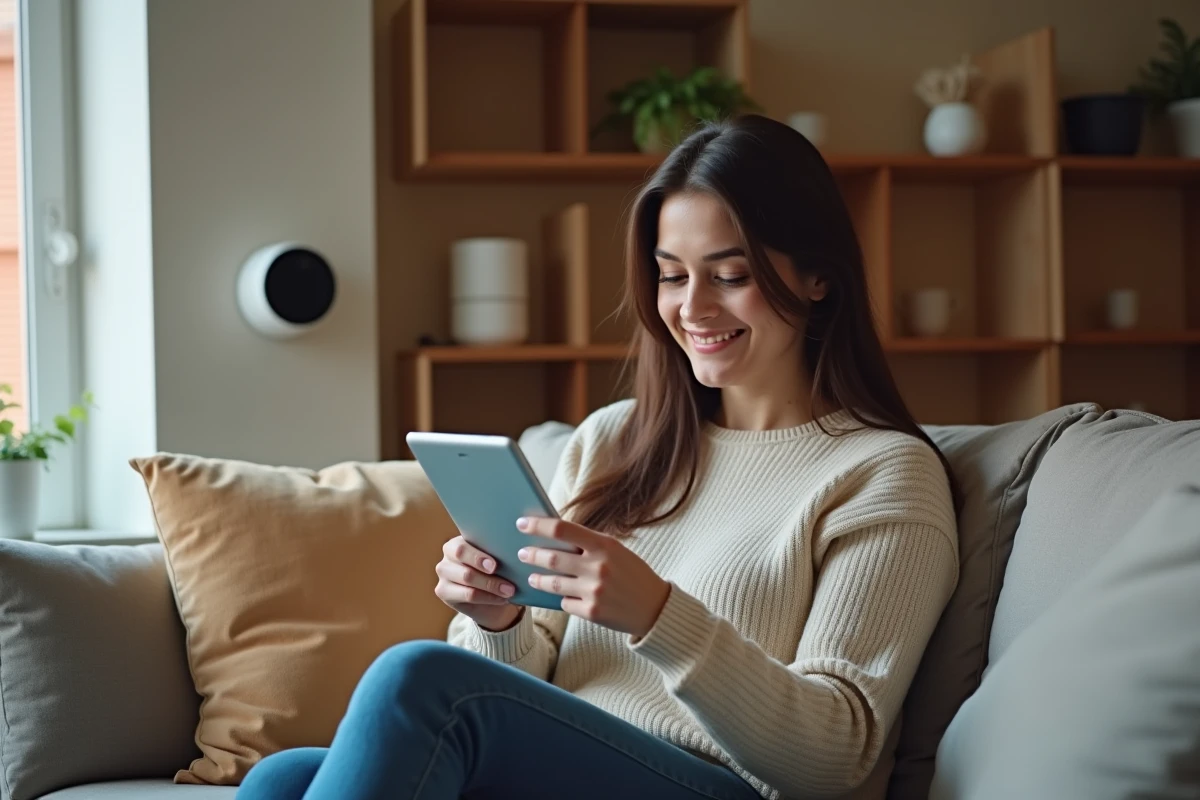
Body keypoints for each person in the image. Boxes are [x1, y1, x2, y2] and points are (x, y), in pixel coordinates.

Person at [237, 113, 960, 800]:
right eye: (672, 275)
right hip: (569, 768)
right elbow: (525, 686)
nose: (693, 308)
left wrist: (656, 614)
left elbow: (835, 755)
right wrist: (499, 620)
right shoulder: (618, 439)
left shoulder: (882, 472)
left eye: (730, 276)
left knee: (416, 677)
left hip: (725, 785)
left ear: (818, 277)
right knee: (284, 780)